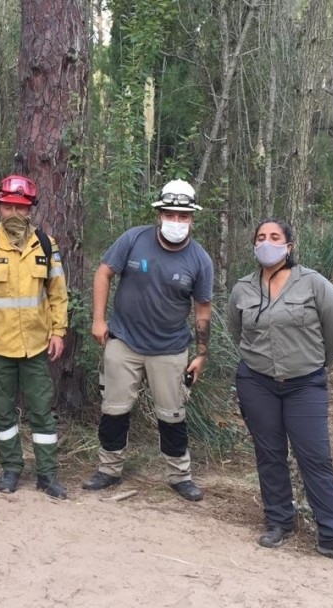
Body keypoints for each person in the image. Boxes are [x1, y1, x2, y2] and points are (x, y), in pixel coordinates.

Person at [227, 218, 333, 568]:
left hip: (305, 382)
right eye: (261, 237)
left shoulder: (315, 284)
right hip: (256, 381)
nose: (267, 243)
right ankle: (279, 521)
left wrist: (316, 365)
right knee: (269, 452)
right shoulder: (242, 289)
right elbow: (236, 333)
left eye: (275, 237)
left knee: (315, 457)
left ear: (289, 246)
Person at [82, 179, 213, 502]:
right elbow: (103, 273)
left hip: (170, 348)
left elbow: (203, 309)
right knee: (114, 409)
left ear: (192, 219)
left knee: (172, 414)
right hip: (124, 341)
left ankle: (179, 475)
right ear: (159, 214)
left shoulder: (199, 259)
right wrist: (99, 320)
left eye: (183, 217)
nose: (177, 222)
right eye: (171, 214)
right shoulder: (133, 239)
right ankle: (109, 469)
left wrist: (201, 353)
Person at [0, 175, 68, 498]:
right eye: (8, 206)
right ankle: (11, 469)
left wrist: (58, 331)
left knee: (42, 411)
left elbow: (58, 294)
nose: (14, 213)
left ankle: (47, 474)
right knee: (2, 411)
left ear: (31, 210)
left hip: (35, 346)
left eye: (21, 207)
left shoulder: (46, 246)